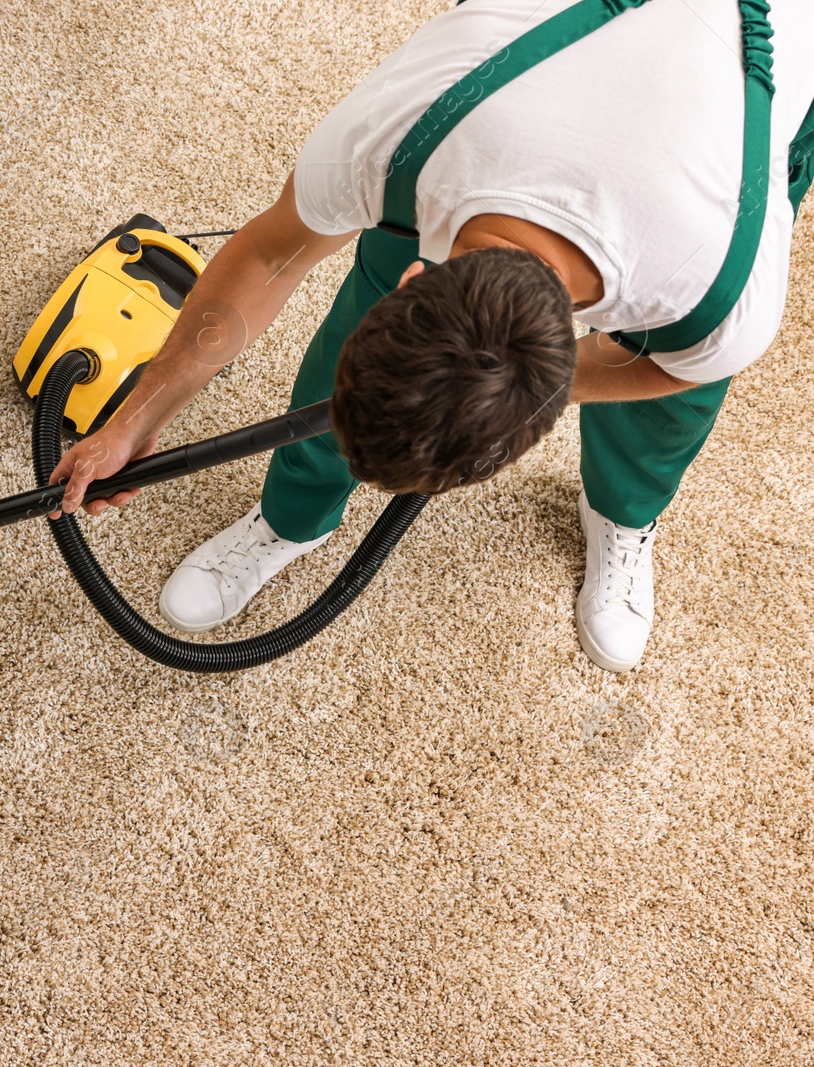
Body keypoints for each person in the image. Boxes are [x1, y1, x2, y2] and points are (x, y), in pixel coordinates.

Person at [48, 0, 813, 673]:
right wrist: (136, 417)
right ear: (416, 278)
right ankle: (291, 518)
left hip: (766, 60)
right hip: (526, 81)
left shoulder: (722, 288)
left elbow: (673, 374)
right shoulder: (403, 133)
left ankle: (623, 515)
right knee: (368, 369)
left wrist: (556, 378)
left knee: (668, 406)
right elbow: (270, 253)